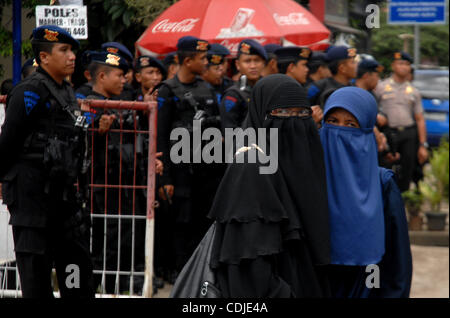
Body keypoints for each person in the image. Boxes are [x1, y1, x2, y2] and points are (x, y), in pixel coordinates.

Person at [208, 74, 331, 297]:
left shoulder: (303, 168)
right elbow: (249, 275)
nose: (294, 121)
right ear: (260, 115)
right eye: (282, 113)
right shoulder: (251, 170)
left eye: (302, 114)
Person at [0, 25, 95, 298]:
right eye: (63, 50)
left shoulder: (67, 91)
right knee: (37, 284)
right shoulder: (29, 92)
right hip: (32, 205)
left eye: (72, 51)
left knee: (77, 279)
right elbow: (7, 144)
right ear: (44, 58)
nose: (71, 56)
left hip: (64, 204)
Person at [320, 87, 412, 298]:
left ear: (367, 132)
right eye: (332, 121)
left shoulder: (382, 183)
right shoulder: (309, 178)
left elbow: (396, 262)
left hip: (365, 283)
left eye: (351, 125)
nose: (339, 131)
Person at [156, 35, 221, 281]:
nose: (206, 62)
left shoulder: (207, 89)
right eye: (202, 58)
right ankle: (178, 272)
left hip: (205, 171)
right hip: (179, 169)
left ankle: (198, 273)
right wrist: (166, 178)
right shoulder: (167, 90)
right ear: (187, 60)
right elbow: (161, 137)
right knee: (178, 224)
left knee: (201, 222)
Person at [373, 51, 428, 192]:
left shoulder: (414, 91)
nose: (404, 67)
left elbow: (420, 119)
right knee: (385, 168)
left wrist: (423, 144)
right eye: (400, 63)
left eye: (407, 64)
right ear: (393, 65)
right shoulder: (380, 87)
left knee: (408, 169)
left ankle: (403, 199)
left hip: (409, 133)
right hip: (389, 133)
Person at [219, 39, 267, 132]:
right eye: (247, 61)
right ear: (237, 64)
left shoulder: (270, 90)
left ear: (263, 63)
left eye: (257, 60)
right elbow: (229, 132)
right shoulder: (233, 95)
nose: (253, 66)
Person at [275, 46, 323, 125]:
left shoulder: (295, 90)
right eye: (303, 65)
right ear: (291, 67)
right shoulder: (280, 93)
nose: (307, 69)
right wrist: (309, 122)